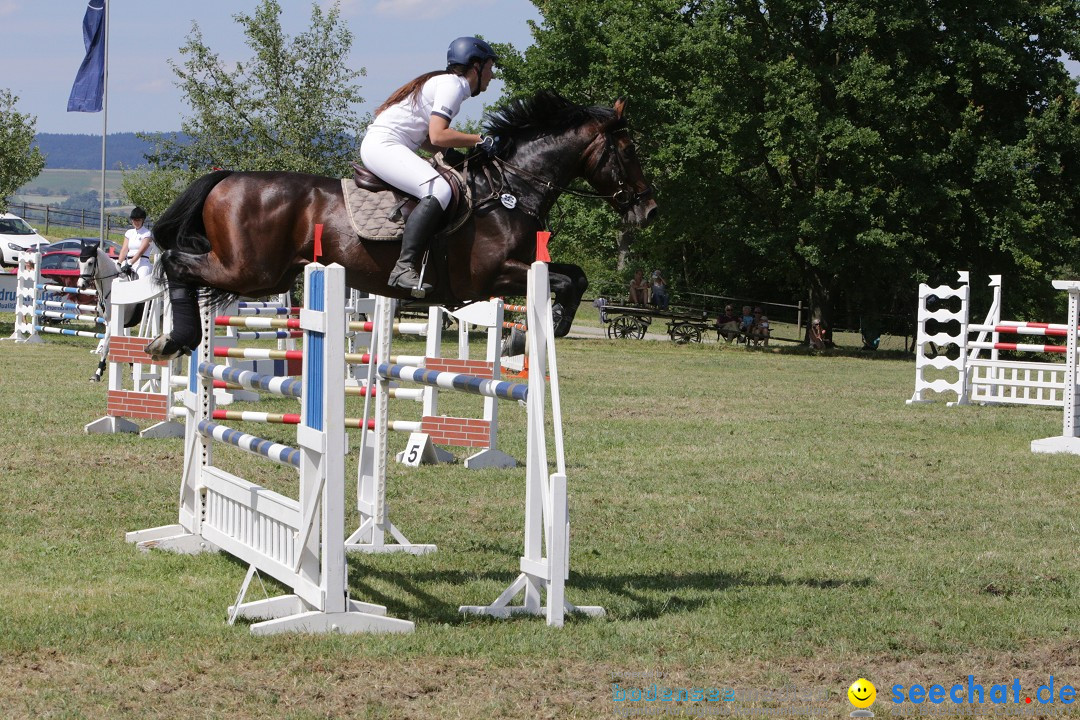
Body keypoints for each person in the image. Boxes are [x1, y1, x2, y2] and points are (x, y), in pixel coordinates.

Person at [359, 36, 500, 298]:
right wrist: (480, 140)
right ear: (475, 66)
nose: (492, 76)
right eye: (490, 67)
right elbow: (437, 135)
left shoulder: (446, 84)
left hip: (389, 144)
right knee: (439, 190)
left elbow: (426, 139)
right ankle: (403, 267)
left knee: (442, 185)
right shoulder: (452, 86)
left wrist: (456, 155)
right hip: (384, 146)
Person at [118, 206, 155, 280]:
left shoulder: (147, 233)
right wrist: (119, 263)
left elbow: (141, 252)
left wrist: (130, 263)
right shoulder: (129, 232)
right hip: (127, 262)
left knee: (142, 278)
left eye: (139, 220)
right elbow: (124, 250)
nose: (136, 222)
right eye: (134, 220)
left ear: (143, 220)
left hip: (142, 263)